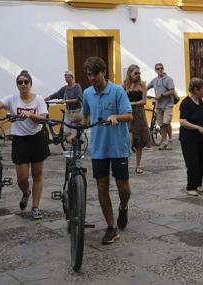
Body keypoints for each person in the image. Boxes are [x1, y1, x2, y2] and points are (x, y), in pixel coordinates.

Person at [0, 70, 50, 219]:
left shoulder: (38, 100)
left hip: (37, 138)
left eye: (26, 82)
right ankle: (26, 192)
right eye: (20, 82)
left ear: (30, 84)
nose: (23, 84)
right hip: (20, 141)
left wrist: (30, 114)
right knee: (22, 178)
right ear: (17, 85)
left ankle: (35, 207)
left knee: (37, 175)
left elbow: (43, 118)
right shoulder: (12, 99)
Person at [81, 57, 133, 244]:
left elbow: (129, 115)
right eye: (88, 75)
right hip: (98, 147)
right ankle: (111, 227)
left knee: (123, 186)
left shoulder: (117, 91)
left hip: (118, 146)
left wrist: (116, 117)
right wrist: (77, 130)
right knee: (101, 186)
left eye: (94, 74)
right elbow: (85, 114)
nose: (91, 78)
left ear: (103, 71)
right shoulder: (87, 93)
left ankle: (124, 206)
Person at [179, 78, 203, 196]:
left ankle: (198, 184)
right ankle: (190, 186)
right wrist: (198, 127)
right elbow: (182, 121)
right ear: (196, 89)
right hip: (188, 138)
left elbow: (201, 115)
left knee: (201, 161)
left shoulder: (200, 101)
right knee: (192, 162)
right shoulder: (186, 103)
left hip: (200, 138)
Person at [123, 64, 152, 174]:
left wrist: (131, 103)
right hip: (127, 114)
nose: (138, 75)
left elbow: (144, 101)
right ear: (130, 73)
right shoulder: (125, 85)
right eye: (135, 73)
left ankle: (138, 166)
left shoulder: (142, 85)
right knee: (128, 139)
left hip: (139, 114)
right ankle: (124, 163)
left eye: (139, 73)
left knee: (139, 141)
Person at [44, 71, 83, 142]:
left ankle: (76, 146)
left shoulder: (77, 86)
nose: (67, 79)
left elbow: (78, 99)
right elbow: (55, 95)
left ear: (72, 77)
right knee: (66, 130)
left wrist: (66, 101)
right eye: (65, 77)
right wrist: (43, 99)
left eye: (68, 77)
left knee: (73, 129)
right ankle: (72, 144)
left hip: (77, 111)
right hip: (68, 112)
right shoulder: (65, 88)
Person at [147, 63, 175, 150]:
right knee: (162, 125)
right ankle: (164, 142)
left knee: (167, 122)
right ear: (155, 70)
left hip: (168, 104)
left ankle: (170, 140)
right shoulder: (154, 80)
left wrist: (161, 95)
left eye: (161, 68)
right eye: (158, 69)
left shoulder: (169, 79)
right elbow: (146, 87)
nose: (160, 70)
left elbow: (172, 91)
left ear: (163, 68)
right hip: (158, 105)